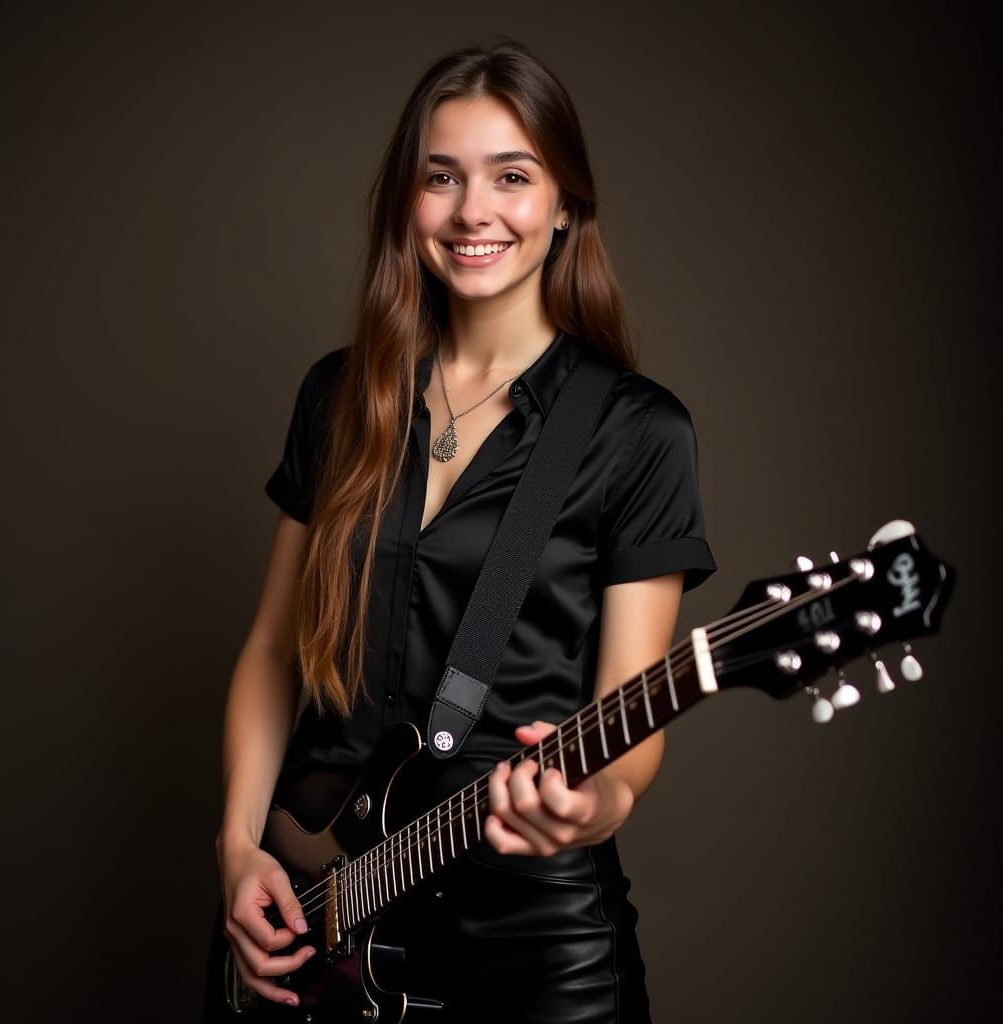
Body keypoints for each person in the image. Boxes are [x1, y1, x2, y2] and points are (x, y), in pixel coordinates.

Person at [209, 37, 716, 1024]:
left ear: (565, 204)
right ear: (409, 201)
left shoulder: (638, 432)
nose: (472, 210)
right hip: (315, 911)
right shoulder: (338, 395)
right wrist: (235, 850)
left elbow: (631, 719)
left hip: (532, 946)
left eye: (511, 177)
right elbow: (272, 649)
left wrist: (597, 805)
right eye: (441, 177)